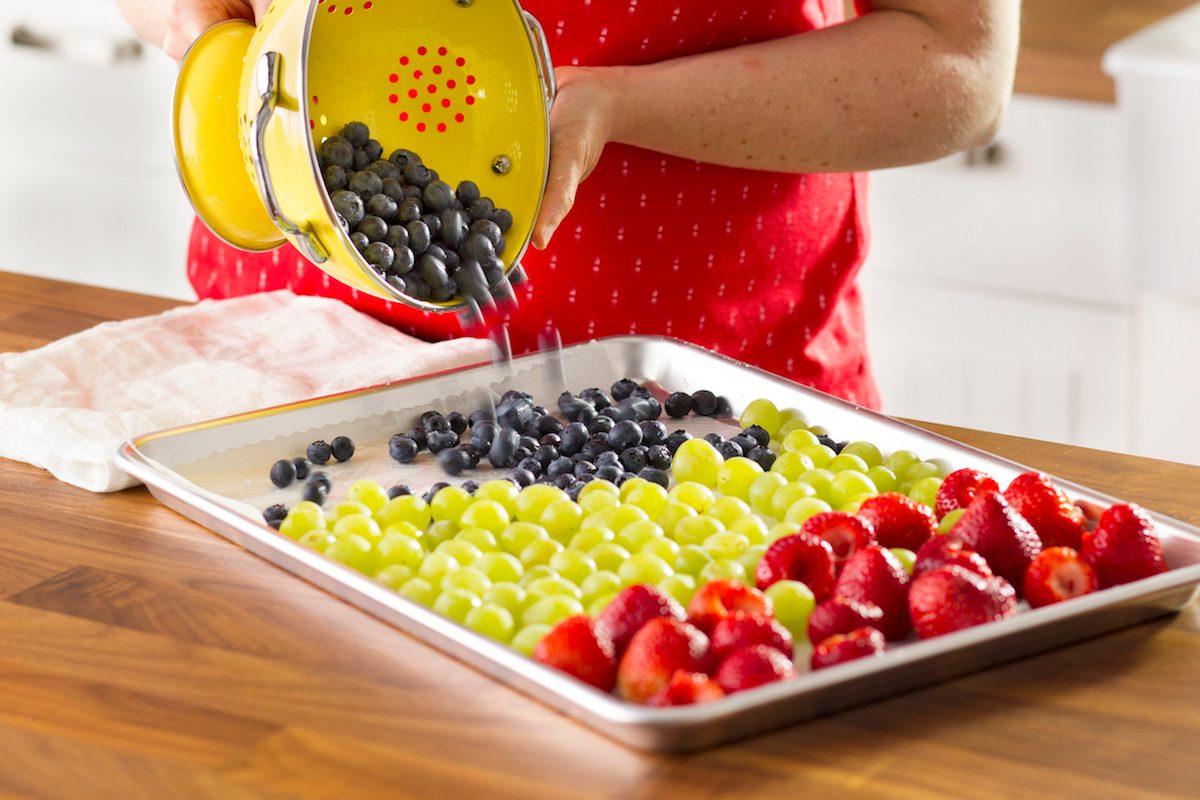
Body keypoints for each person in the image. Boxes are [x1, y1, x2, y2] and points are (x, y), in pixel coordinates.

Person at [119, 0, 1018, 410]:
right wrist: (199, 25)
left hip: (696, 414)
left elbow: (959, 62)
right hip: (283, 373)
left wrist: (620, 105)